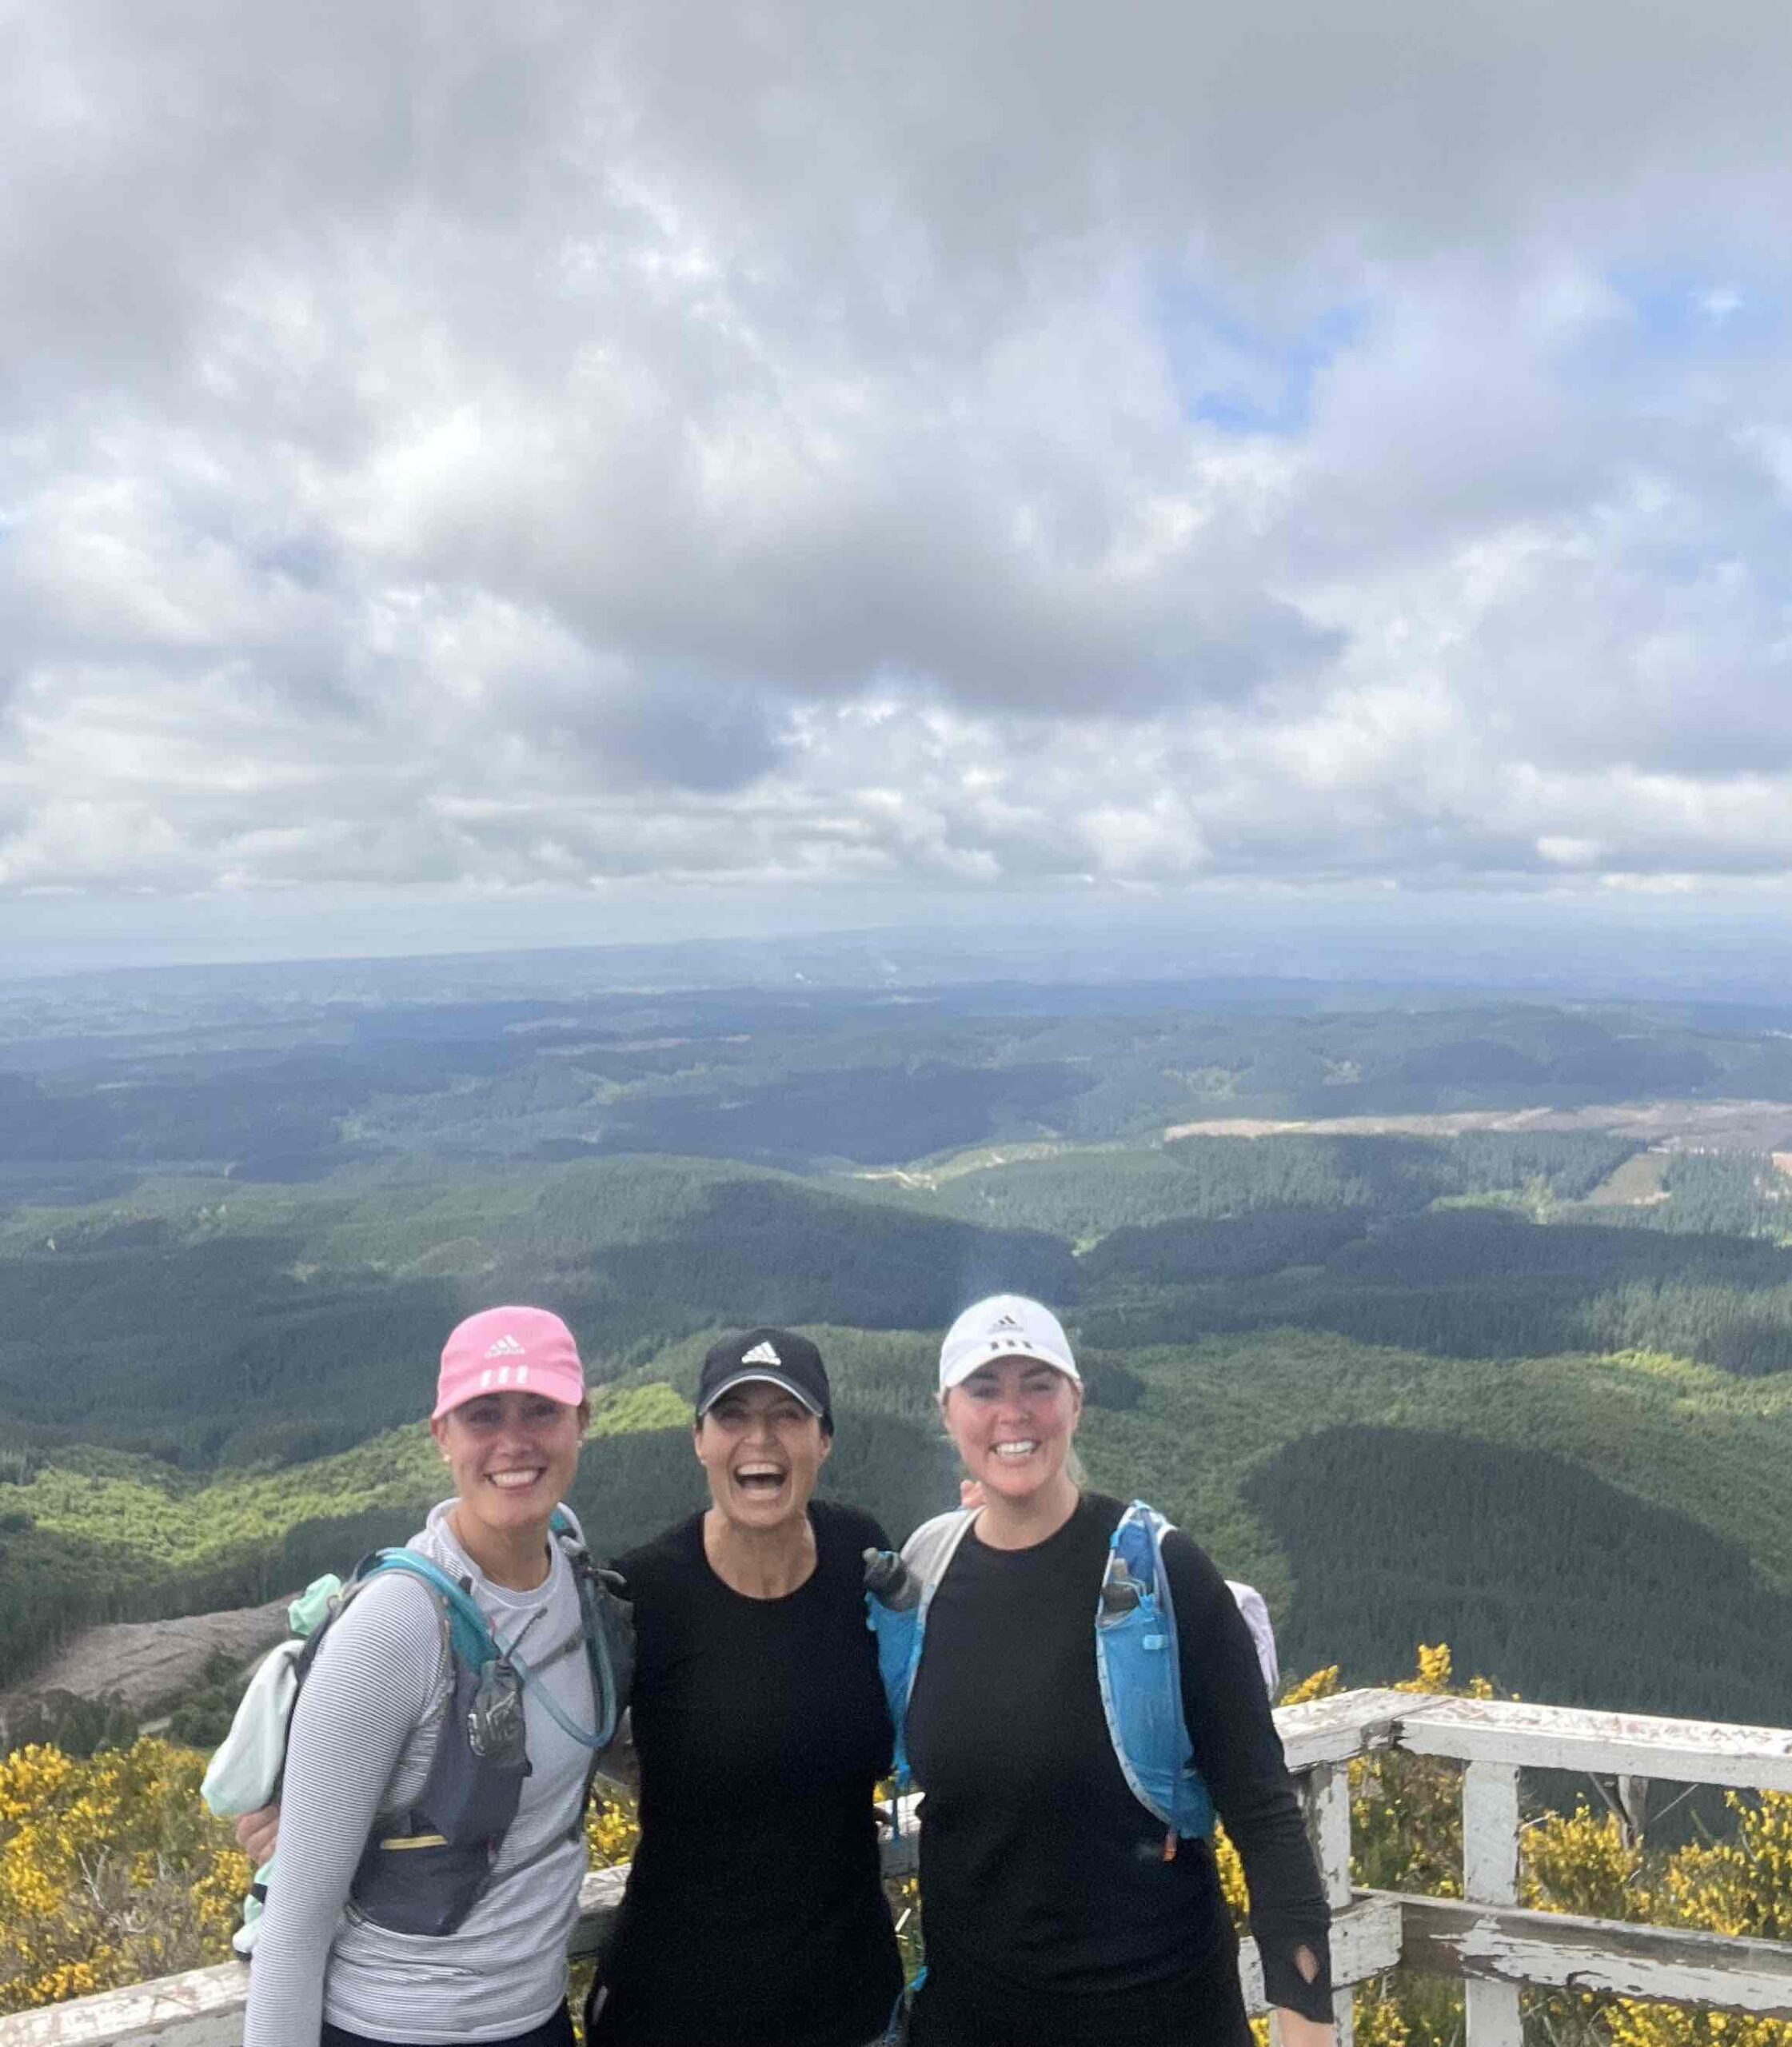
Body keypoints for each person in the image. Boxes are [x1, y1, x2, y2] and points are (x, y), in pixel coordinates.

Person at [894, 1295, 1335, 2047]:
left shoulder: (1163, 1573)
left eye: (1038, 1384)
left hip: (1159, 2016)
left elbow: (1263, 1817)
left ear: (1076, 1402)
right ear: (946, 1412)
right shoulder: (924, 1576)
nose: (1013, 1412)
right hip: (971, 2020)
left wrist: (1307, 2031)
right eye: (984, 1388)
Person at [241, 1306, 626, 2047]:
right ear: (441, 1435)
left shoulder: (573, 1570)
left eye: (540, 1410)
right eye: (483, 1415)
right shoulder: (397, 1626)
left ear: (582, 1420)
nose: (513, 1441)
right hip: (396, 2028)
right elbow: (294, 1927)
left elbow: (611, 1741)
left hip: (536, 2018)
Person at [589, 1327, 904, 2047]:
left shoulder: (860, 1551)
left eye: (787, 1415)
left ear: (823, 1440)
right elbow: (560, 1736)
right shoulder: (645, 1590)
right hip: (675, 2011)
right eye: (732, 1416)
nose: (758, 1438)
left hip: (851, 2009)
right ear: (698, 1439)